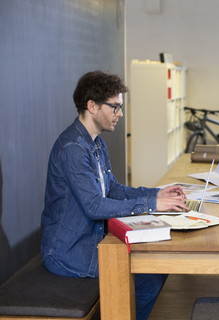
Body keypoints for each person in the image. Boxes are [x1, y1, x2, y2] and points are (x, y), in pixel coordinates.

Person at [41, 70, 189, 320]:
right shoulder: (73, 148)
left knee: (159, 266)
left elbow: (114, 189)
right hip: (68, 250)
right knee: (148, 280)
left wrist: (157, 193)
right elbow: (94, 206)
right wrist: (152, 203)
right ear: (92, 106)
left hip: (92, 239)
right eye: (115, 107)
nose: (120, 114)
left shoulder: (95, 142)